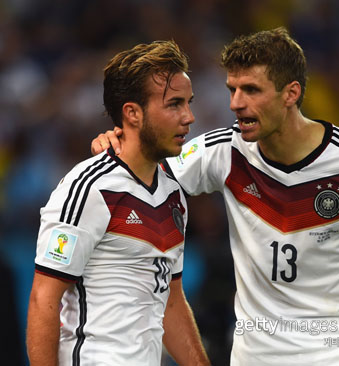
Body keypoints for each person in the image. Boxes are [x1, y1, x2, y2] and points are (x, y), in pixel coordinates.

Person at [92, 28, 339, 365]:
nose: (236, 103)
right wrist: (118, 143)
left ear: (291, 93)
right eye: (231, 89)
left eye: (251, 90)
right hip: (258, 354)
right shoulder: (223, 152)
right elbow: (144, 170)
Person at [27, 40, 210, 366]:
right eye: (174, 105)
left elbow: (170, 303)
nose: (190, 117)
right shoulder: (90, 188)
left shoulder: (173, 195)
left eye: (188, 103)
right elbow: (44, 298)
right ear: (132, 113)